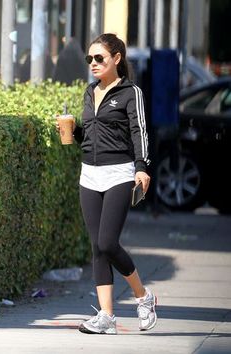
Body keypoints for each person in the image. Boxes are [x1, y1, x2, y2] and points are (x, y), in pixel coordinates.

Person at [56, 33, 157, 335]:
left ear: (117, 58)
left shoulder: (130, 92)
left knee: (107, 242)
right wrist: (72, 132)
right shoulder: (90, 92)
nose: (93, 63)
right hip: (89, 174)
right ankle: (106, 317)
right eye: (90, 58)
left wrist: (142, 168)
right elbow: (88, 136)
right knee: (97, 248)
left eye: (99, 58)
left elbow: (139, 131)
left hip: (119, 173)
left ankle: (144, 297)